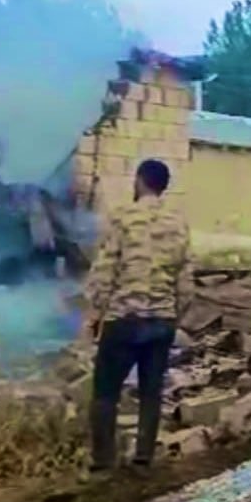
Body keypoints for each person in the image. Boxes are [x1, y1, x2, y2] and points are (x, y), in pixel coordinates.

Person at [84, 159, 193, 472]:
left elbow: (106, 269)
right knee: (151, 390)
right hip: (162, 321)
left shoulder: (123, 216)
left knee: (105, 392)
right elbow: (185, 281)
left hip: (124, 318)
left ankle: (103, 460)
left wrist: (95, 312)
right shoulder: (178, 222)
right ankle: (143, 457)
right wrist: (174, 315)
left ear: (140, 181)